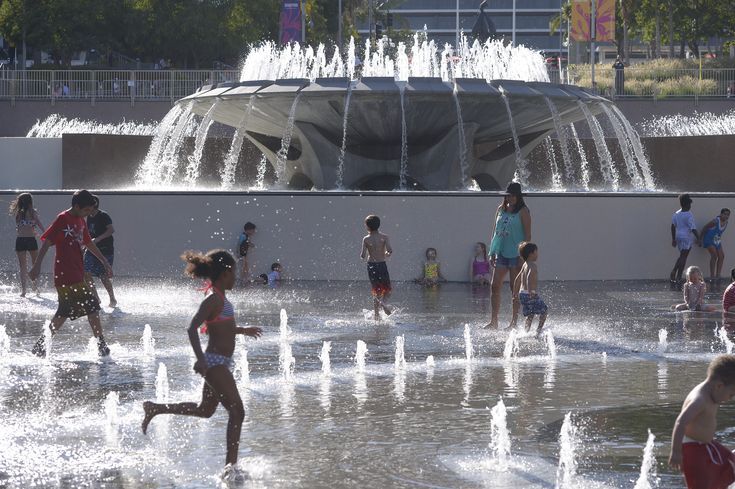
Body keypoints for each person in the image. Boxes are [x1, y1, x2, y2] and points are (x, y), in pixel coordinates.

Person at [141, 249, 262, 479]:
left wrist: (242, 330)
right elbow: (192, 327)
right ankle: (230, 468)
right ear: (226, 273)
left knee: (205, 410)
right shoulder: (213, 298)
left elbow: (221, 327)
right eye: (234, 272)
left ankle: (155, 408)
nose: (236, 277)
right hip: (214, 363)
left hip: (220, 363)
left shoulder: (220, 298)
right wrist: (202, 359)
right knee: (238, 411)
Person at [28, 190, 113, 357]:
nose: (89, 214)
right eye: (87, 210)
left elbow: (87, 242)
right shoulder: (63, 219)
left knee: (72, 310)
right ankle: (101, 345)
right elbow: (47, 243)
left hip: (77, 272)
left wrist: (103, 260)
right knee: (85, 307)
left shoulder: (81, 220)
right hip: (65, 273)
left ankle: (41, 345)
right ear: (76, 206)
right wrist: (36, 266)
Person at [669, 355, 735, 489]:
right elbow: (680, 422)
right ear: (719, 386)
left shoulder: (713, 392)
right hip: (694, 452)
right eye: (731, 394)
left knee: (730, 466)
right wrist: (676, 452)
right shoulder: (699, 400)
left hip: (708, 446)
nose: (730, 399)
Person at [486, 182, 531, 329]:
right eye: (508, 195)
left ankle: (514, 322)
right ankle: (494, 320)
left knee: (514, 288)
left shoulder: (523, 211)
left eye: (513, 195)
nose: (510, 198)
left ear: (518, 196)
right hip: (501, 252)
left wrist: (522, 255)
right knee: (494, 285)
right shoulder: (500, 209)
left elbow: (528, 235)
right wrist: (492, 251)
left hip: (515, 254)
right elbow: (495, 232)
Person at [9, 193, 45, 297]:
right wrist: (45, 233)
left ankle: (24, 290)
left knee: (23, 266)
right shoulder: (33, 212)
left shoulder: (18, 214)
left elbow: (20, 228)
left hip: (20, 240)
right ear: (30, 202)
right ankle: (36, 287)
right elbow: (38, 223)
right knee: (35, 264)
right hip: (31, 240)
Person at [84, 195, 117, 307]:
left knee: (103, 276)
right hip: (92, 249)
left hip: (105, 249)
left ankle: (112, 299)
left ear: (94, 205)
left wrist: (97, 239)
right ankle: (95, 298)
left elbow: (111, 230)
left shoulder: (103, 215)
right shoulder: (88, 217)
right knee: (86, 272)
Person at [360, 214, 394, 320]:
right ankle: (383, 303)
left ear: (367, 226)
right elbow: (390, 250)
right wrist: (387, 254)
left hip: (371, 266)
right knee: (387, 290)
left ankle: (376, 315)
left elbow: (362, 255)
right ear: (379, 225)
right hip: (382, 265)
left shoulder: (366, 239)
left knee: (376, 290)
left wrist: (363, 256)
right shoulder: (384, 237)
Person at [512, 242, 548, 337]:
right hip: (529, 293)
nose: (537, 254)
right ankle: (538, 331)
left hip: (522, 294)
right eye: (536, 252)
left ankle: (526, 331)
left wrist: (515, 293)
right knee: (544, 311)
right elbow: (528, 277)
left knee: (530, 314)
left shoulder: (524, 265)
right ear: (531, 254)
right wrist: (531, 291)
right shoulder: (532, 265)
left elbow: (517, 279)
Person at [671, 194, 700, 283]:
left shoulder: (676, 213)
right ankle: (677, 275)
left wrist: (673, 239)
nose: (690, 206)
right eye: (689, 204)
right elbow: (693, 228)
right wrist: (698, 238)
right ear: (687, 204)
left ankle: (676, 273)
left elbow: (672, 226)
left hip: (678, 236)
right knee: (684, 257)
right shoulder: (689, 215)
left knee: (682, 256)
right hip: (686, 237)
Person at [700, 208, 730, 280]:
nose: (726, 216)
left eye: (728, 215)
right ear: (721, 214)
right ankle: (712, 276)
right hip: (709, 239)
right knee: (714, 255)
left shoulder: (726, 223)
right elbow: (705, 227)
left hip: (716, 239)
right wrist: (699, 239)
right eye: (725, 214)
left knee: (722, 256)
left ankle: (718, 275)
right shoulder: (715, 221)